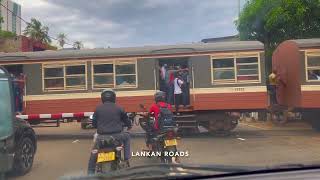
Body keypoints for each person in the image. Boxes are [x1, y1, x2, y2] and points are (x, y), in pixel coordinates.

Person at [87, 89, 132, 174]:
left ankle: (90, 174)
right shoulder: (119, 108)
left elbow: (94, 123)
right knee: (127, 136)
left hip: (101, 138)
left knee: (94, 155)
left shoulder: (98, 108)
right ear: (114, 98)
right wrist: (129, 126)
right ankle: (126, 158)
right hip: (117, 136)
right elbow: (126, 121)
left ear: (102, 98)